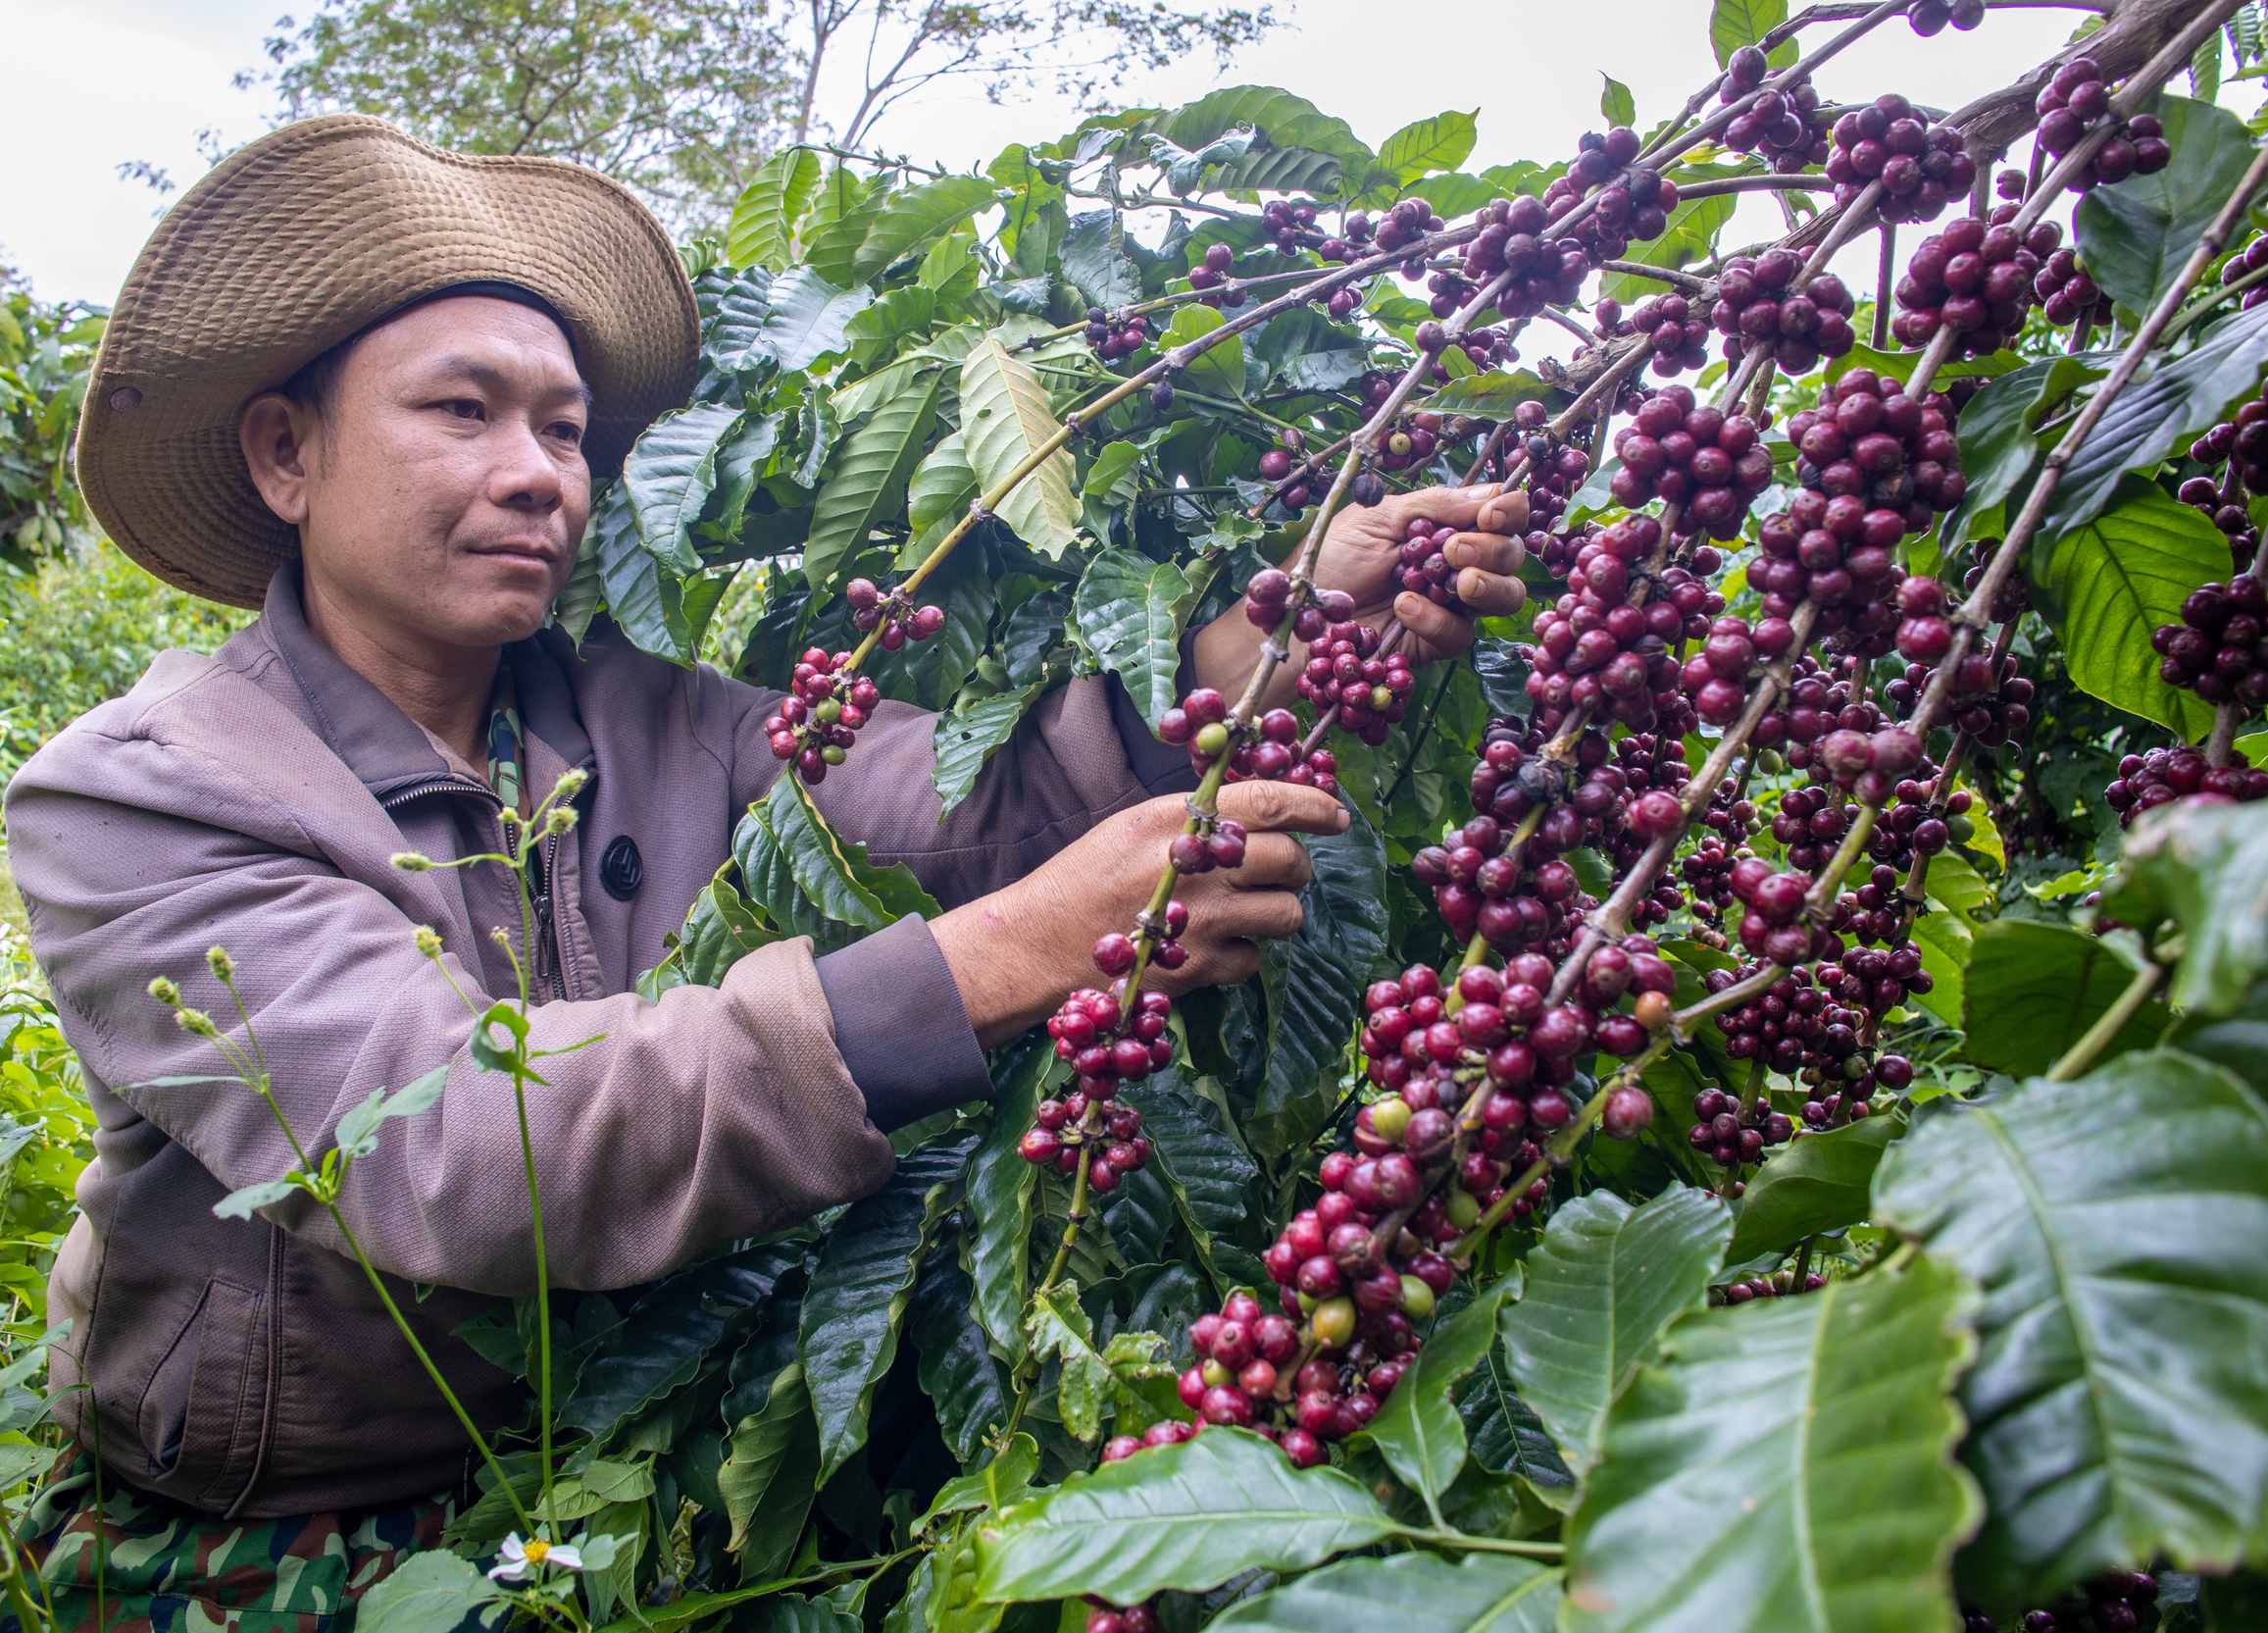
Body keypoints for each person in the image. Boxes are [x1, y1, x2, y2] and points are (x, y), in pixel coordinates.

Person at [0, 116, 1529, 1624]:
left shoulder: (644, 711)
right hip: (254, 1535)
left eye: (565, 430)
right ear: (287, 453)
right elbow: (460, 1149)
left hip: (605, 1462)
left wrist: (1263, 642)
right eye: (463, 411)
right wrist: (1014, 954)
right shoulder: (143, 794)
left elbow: (965, 808)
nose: (541, 474)